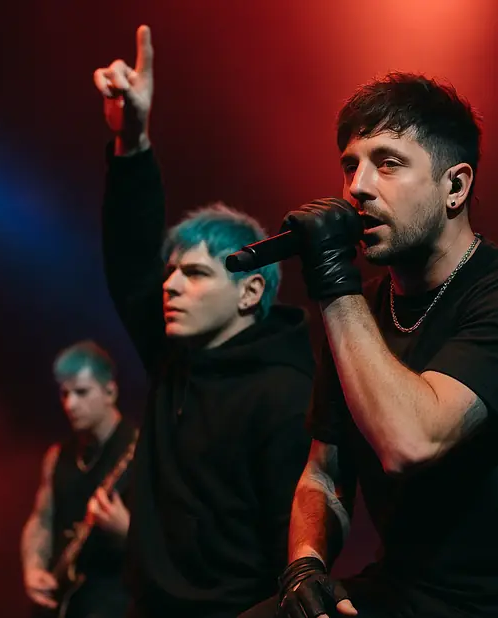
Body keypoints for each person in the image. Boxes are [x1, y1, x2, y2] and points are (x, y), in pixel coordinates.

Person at [254, 71, 498, 618]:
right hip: (404, 590)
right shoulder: (361, 309)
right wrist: (305, 567)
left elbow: (412, 440)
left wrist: (333, 282)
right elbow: (324, 473)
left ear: (455, 186)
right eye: (350, 165)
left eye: (388, 163)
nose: (358, 186)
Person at [92, 26, 315, 618]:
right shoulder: (175, 359)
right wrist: (133, 140)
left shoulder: (288, 394)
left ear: (250, 292)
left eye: (193, 273)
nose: (169, 286)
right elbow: (130, 258)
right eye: (171, 272)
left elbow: (294, 550)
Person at [21, 340, 138, 618]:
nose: (70, 404)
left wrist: (129, 531)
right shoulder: (57, 456)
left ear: (110, 392)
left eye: (82, 392)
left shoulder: (143, 449)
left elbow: (177, 541)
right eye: (65, 394)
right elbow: (42, 520)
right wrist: (33, 568)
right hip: (62, 603)